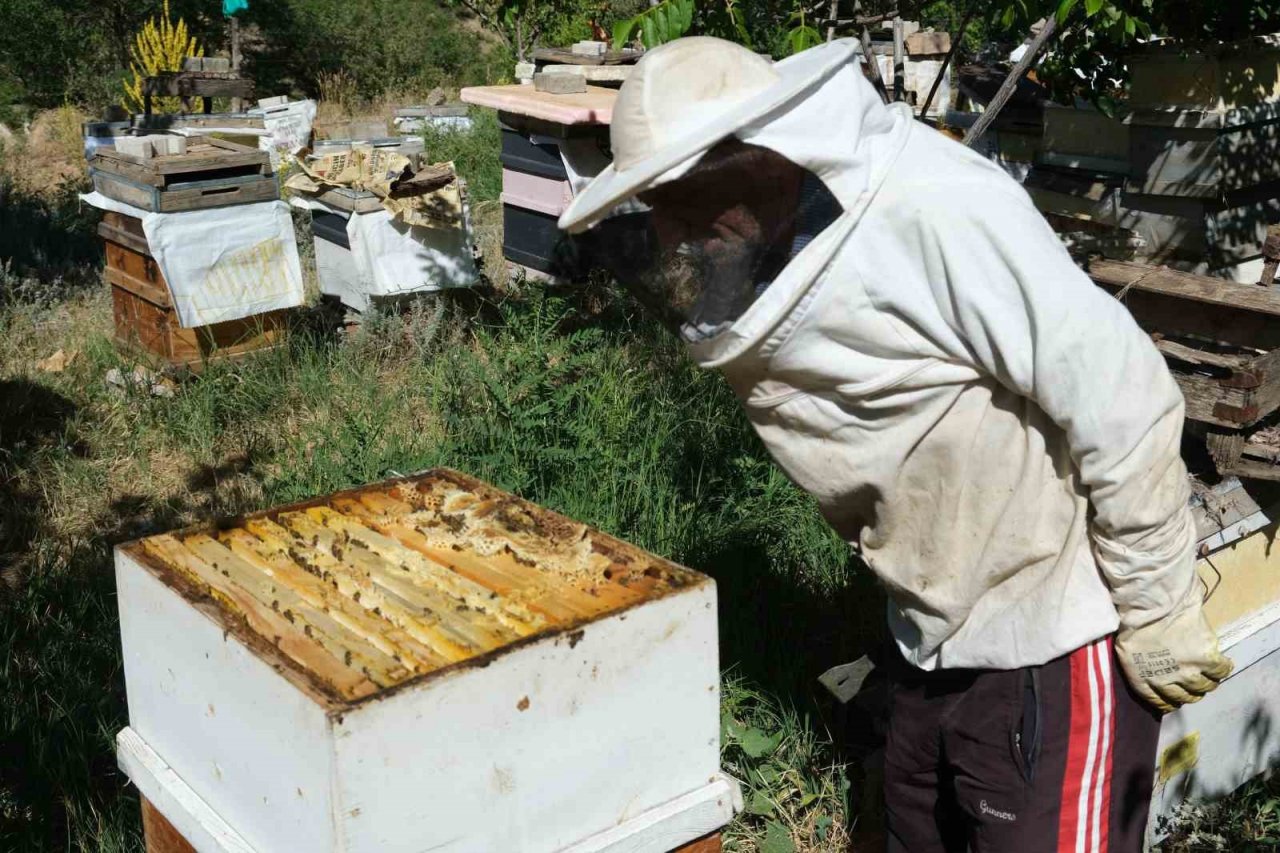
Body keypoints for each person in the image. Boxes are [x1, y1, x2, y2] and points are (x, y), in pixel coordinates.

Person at [557, 36, 1233, 852]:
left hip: (1053, 631)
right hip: (926, 635)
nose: (675, 234)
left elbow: (1119, 391)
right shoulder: (772, 251)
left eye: (691, 195)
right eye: (658, 204)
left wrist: (1159, 608)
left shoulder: (935, 208)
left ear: (762, 158)